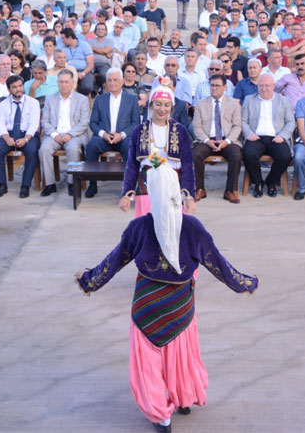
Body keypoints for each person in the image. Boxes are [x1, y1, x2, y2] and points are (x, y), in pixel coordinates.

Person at [74, 160, 258, 433]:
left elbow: (113, 262)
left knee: (149, 365)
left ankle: (162, 418)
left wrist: (88, 281)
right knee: (180, 356)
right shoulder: (193, 227)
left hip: (146, 309)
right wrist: (246, 283)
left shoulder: (139, 228)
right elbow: (218, 265)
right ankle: (183, 398)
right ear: (175, 191)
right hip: (180, 308)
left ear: (151, 193)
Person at [119, 78, 195, 216]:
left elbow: (187, 165)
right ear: (150, 106)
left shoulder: (180, 131)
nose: (162, 109)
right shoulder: (139, 130)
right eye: (158, 104)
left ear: (171, 108)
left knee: (172, 230)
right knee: (148, 229)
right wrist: (126, 193)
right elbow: (132, 165)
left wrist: (189, 195)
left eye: (166, 105)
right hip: (148, 181)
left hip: (173, 183)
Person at [84, 68, 141, 198]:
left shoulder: (132, 99)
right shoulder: (100, 99)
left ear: (122, 82)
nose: (112, 83)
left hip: (124, 138)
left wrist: (121, 135)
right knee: (91, 147)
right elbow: (93, 123)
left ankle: (128, 187)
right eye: (109, 80)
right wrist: (103, 134)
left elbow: (135, 123)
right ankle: (92, 185)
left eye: (115, 80)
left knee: (131, 147)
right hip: (104, 137)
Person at [241, 73, 295, 198]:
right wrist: (249, 134)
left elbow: (291, 122)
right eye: (261, 86)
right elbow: (242, 121)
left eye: (267, 86)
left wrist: (282, 136)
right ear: (257, 86)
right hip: (256, 137)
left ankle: (270, 182)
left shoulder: (284, 100)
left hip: (276, 137)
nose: (264, 89)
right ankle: (258, 182)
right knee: (248, 154)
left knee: (285, 156)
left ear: (274, 86)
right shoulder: (249, 99)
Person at [191, 74, 243, 203]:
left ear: (224, 87)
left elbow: (237, 126)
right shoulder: (201, 104)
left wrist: (227, 141)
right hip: (208, 139)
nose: (214, 88)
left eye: (217, 86)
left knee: (236, 155)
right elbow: (196, 127)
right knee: (195, 154)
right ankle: (200, 189)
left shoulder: (233, 104)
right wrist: (207, 141)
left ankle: (229, 190)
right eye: (212, 85)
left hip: (227, 139)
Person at [38, 69, 91, 196]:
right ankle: (50, 184)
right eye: (61, 82)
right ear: (57, 83)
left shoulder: (82, 99)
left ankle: (72, 183)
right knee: (44, 149)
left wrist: (70, 134)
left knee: (73, 149)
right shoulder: (50, 99)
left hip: (74, 134)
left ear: (72, 83)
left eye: (67, 82)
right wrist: (54, 135)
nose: (64, 84)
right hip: (54, 134)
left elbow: (84, 122)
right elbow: (45, 121)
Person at [0, 75, 41, 198]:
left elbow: (34, 124)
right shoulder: (3, 104)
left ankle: (25, 185)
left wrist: (26, 139)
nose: (18, 89)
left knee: (32, 151)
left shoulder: (33, 103)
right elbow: (0, 124)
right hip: (9, 134)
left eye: (20, 86)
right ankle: (1, 185)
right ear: (9, 90)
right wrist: (7, 138)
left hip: (27, 134)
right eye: (14, 87)